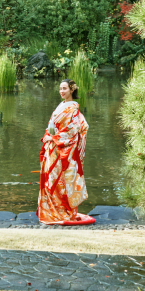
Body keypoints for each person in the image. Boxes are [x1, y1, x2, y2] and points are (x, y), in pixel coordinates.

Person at [37, 79, 90, 224]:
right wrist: (48, 135)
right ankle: (51, 211)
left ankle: (63, 212)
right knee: (51, 179)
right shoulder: (61, 105)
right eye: (60, 88)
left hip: (62, 148)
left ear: (72, 90)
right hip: (53, 146)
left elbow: (72, 130)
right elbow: (52, 124)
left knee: (61, 180)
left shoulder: (73, 108)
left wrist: (53, 137)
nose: (62, 91)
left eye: (65, 88)